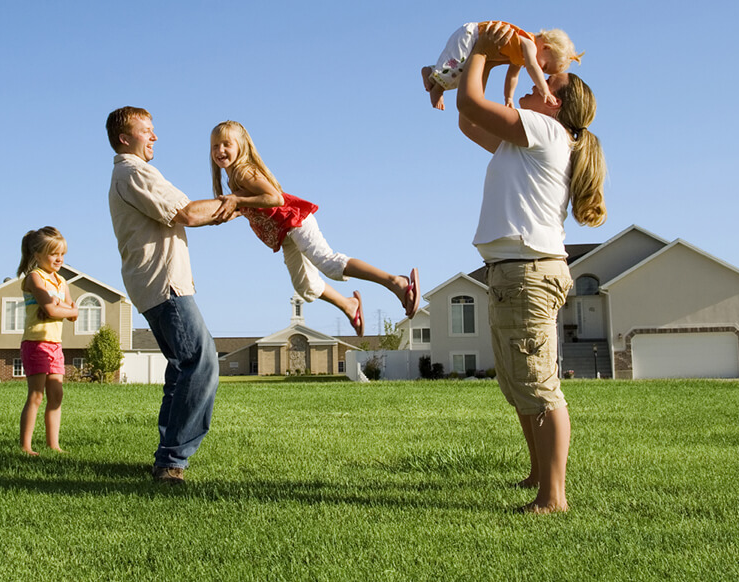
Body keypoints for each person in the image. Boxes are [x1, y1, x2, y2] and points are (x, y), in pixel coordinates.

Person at [455, 22, 606, 514]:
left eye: (550, 79)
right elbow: (469, 122)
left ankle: (553, 497)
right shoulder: (530, 138)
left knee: (539, 386)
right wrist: (502, 66)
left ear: (556, 104)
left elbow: (469, 105)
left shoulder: (545, 131)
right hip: (514, 272)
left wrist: (481, 48)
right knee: (522, 382)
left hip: (526, 273)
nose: (542, 76)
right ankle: (540, 477)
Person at [106, 106, 237, 484]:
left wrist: (237, 205)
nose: (155, 136)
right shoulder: (134, 173)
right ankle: (171, 461)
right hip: (163, 285)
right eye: (146, 130)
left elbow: (193, 210)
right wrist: (242, 202)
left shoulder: (135, 173)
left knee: (182, 369)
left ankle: (167, 455)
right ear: (124, 138)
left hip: (157, 284)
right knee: (202, 362)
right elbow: (189, 214)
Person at [209, 120, 420, 335]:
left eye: (227, 144)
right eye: (215, 146)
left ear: (241, 146)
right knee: (305, 286)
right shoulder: (233, 176)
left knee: (329, 264)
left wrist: (236, 199)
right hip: (285, 233)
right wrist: (234, 210)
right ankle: (349, 305)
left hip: (296, 221)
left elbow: (274, 198)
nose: (220, 150)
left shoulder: (243, 172)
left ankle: (396, 282)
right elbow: (254, 204)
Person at [422, 21, 582, 111]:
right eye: (545, 66)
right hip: (472, 35)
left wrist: (509, 98)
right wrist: (544, 90)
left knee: (463, 75)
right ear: (546, 47)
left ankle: (431, 71)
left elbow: (512, 77)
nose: (541, 71)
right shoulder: (528, 43)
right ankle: (438, 89)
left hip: (478, 46)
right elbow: (533, 66)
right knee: (456, 66)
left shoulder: (520, 58)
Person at [17, 226, 79, 456]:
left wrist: (58, 308)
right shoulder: (34, 277)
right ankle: (26, 446)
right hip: (36, 342)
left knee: (56, 395)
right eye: (54, 254)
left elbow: (74, 313)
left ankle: (54, 445)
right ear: (37, 255)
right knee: (36, 395)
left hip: (55, 344)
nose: (59, 259)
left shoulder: (61, 282)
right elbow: (54, 309)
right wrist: (59, 308)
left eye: (62, 254)